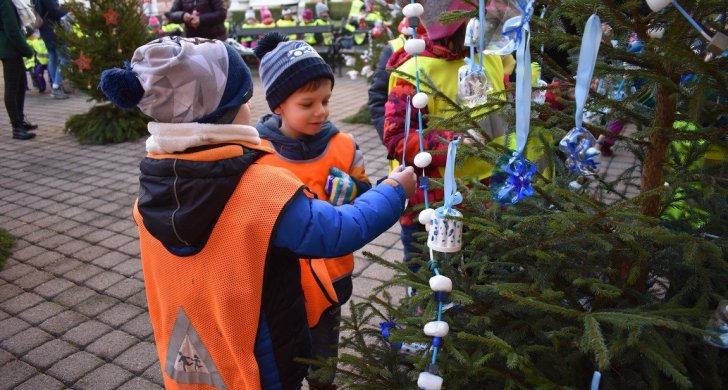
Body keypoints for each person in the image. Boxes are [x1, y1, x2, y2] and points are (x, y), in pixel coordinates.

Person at [99, 36, 417, 390]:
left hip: (195, 355)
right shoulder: (261, 189)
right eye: (245, 99)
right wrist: (393, 191)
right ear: (225, 112)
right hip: (262, 361)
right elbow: (339, 230)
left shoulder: (151, 189)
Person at [253, 32, 371, 389]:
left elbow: (365, 191)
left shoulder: (343, 145)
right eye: (308, 104)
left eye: (326, 100)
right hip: (277, 286)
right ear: (279, 106)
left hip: (333, 277)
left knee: (323, 360)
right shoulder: (258, 152)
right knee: (282, 360)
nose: (321, 111)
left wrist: (354, 190)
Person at [384, 0, 509, 271]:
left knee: (483, 279)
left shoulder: (491, 60)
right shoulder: (414, 71)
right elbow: (396, 139)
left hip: (487, 201)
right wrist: (452, 142)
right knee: (428, 279)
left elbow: (505, 114)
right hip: (429, 208)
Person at [1, 0, 36, 140]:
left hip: (11, 49)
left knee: (20, 85)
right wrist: (26, 49)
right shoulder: (5, 2)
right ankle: (17, 127)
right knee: (12, 88)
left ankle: (20, 121)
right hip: (10, 49)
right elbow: (12, 30)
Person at [35, 0, 72, 99]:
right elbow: (53, 10)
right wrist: (68, 14)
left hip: (45, 29)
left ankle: (55, 86)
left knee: (53, 57)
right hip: (53, 29)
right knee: (65, 58)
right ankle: (56, 87)